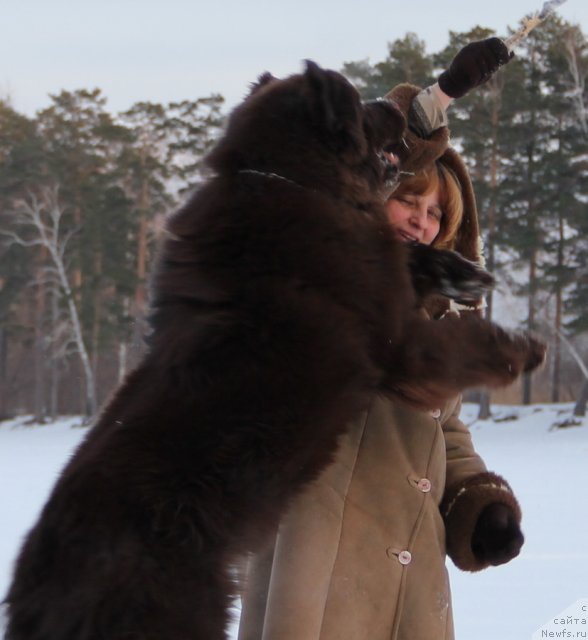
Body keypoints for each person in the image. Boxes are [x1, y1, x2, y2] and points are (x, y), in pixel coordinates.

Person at [237, 39, 519, 640]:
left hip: (408, 592)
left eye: (438, 214)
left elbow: (440, 428)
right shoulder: (312, 276)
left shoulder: (432, 328)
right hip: (315, 583)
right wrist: (436, 97)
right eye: (409, 201)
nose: (423, 220)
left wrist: (477, 499)